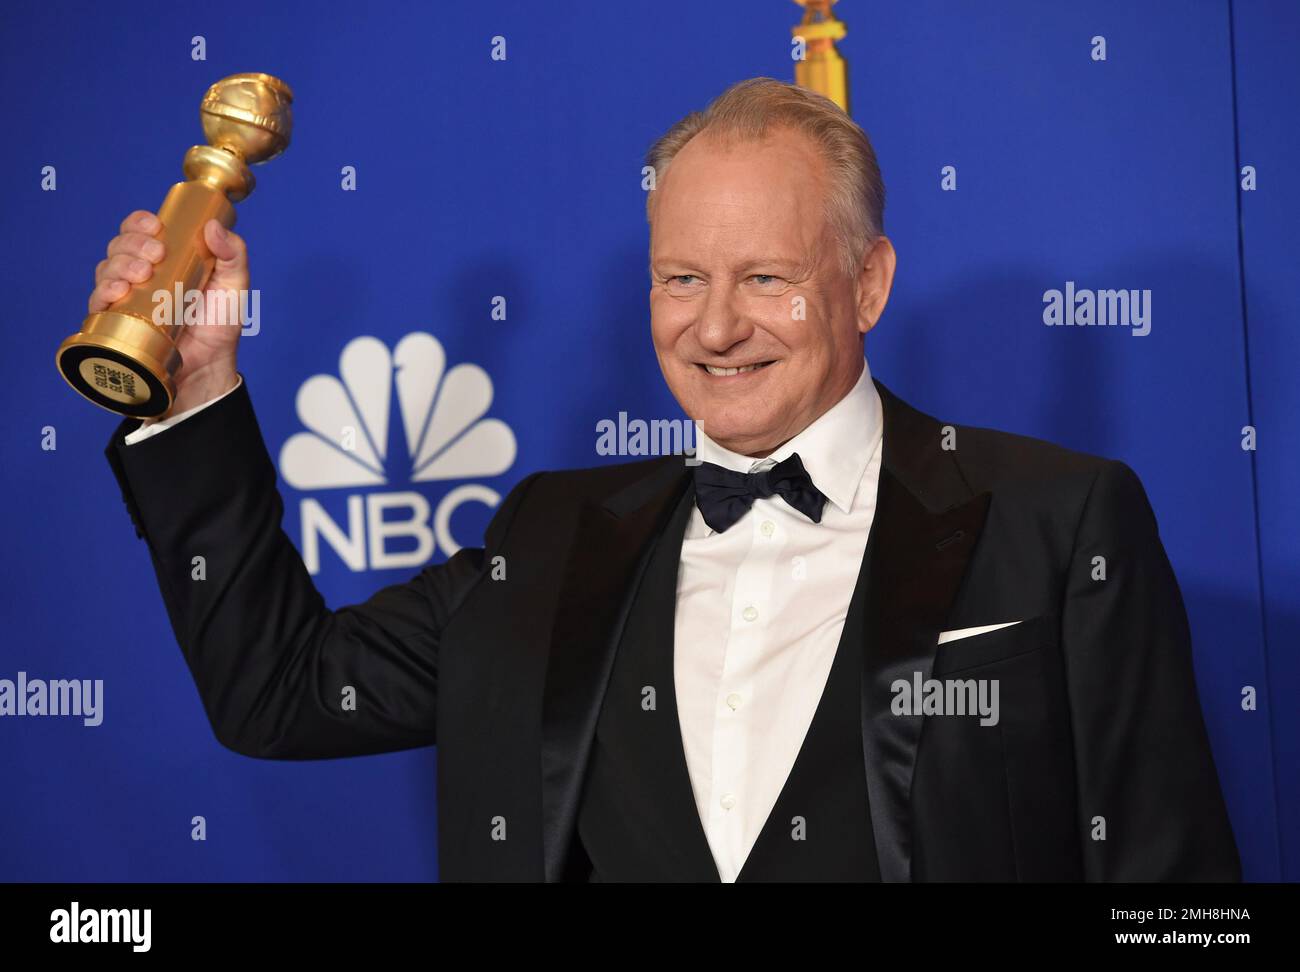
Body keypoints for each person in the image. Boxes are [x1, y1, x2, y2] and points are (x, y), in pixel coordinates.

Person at [92, 77, 1239, 882]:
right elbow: (282, 694)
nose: (717, 326)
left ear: (868, 283)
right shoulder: (546, 534)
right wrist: (192, 392)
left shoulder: (1058, 519)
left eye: (767, 277)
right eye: (680, 277)